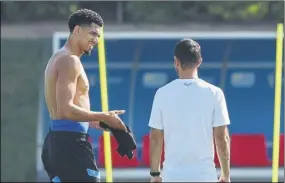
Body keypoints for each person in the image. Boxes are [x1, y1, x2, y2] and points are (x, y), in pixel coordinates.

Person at [41, 9, 127, 182]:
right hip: (71, 144)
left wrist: (96, 122)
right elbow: (66, 110)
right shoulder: (69, 60)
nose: (96, 40)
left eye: (99, 36)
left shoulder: (59, 57)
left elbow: (62, 114)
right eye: (93, 33)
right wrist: (104, 116)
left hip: (59, 142)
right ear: (77, 30)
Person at [148, 38, 231, 182]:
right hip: (205, 175)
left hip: (172, 175)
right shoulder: (215, 93)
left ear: (176, 61)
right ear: (199, 62)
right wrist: (226, 175)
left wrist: (155, 174)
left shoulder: (162, 93)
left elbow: (156, 137)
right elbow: (221, 137)